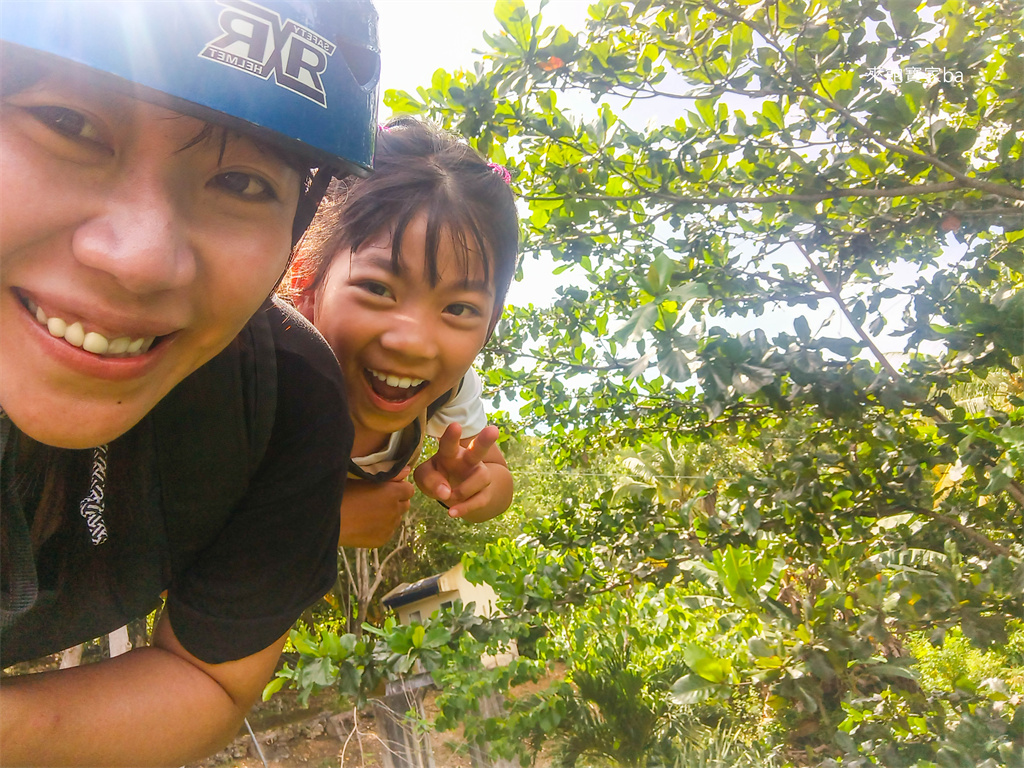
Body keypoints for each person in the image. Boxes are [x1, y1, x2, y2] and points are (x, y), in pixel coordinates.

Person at [0, 1, 379, 764]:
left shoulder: (284, 404)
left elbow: (206, 679)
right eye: (68, 123)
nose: (141, 258)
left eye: (242, 182)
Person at [284, 118, 518, 548]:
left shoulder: (451, 388)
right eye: (378, 289)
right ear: (305, 281)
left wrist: (476, 486)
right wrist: (319, 524)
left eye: (459, 308)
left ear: (491, 323)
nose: (412, 342)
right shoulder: (262, 373)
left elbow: (498, 476)